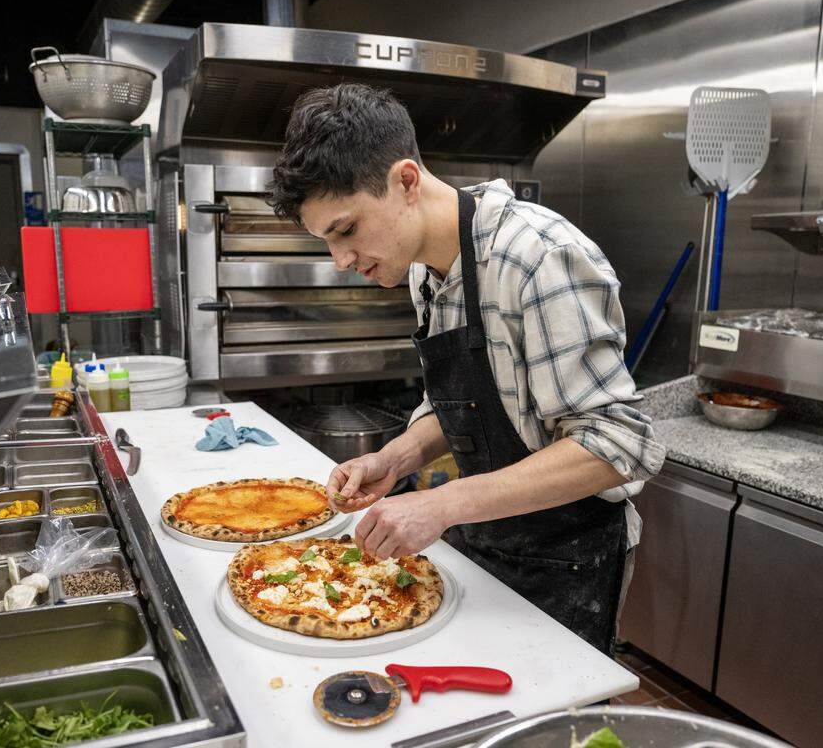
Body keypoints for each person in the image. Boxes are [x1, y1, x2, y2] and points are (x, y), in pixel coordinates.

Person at [267, 83, 664, 655]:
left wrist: (440, 504)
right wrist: (395, 457)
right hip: (485, 541)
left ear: (405, 181)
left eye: (347, 231)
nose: (341, 262)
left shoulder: (536, 256)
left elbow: (615, 444)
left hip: (565, 560)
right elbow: (477, 402)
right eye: (326, 242)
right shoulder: (422, 270)